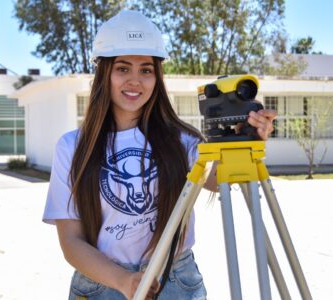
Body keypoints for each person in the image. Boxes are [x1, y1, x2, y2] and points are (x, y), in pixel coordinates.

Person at [43, 10, 277, 300]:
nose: (135, 81)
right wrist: (125, 281)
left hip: (175, 281)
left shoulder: (183, 139)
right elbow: (71, 241)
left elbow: (218, 181)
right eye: (122, 68)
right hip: (101, 282)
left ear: (157, 76)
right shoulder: (73, 147)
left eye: (146, 70)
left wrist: (244, 141)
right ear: (104, 73)